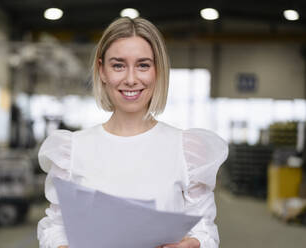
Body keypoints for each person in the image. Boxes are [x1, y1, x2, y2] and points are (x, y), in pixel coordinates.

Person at [37, 17, 228, 248]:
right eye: (118, 65)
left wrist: (194, 243)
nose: (130, 79)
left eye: (143, 65)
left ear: (158, 71)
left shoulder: (186, 150)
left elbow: (205, 228)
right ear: (102, 70)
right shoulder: (71, 151)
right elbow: (55, 226)